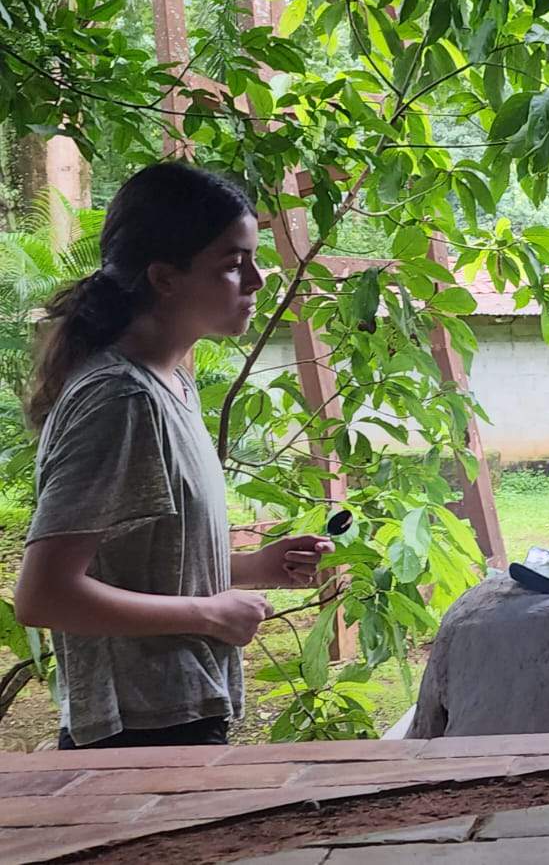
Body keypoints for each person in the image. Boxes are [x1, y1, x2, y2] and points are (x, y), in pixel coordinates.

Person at [13, 162, 333, 749]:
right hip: (134, 732)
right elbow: (45, 595)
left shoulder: (171, 384)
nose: (259, 281)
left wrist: (254, 566)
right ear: (164, 277)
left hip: (178, 711)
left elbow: (140, 562)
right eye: (234, 265)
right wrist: (208, 614)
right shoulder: (120, 398)